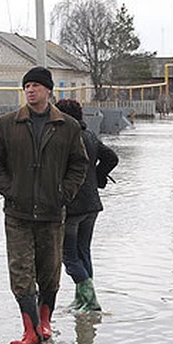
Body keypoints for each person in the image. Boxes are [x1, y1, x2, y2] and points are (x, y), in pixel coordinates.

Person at [0, 67, 89, 344]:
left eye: (36, 86)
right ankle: (29, 330)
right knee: (21, 271)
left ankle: (45, 322)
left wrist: (64, 192)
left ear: (48, 90)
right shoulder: (8, 124)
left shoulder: (67, 126)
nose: (30, 90)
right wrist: (11, 189)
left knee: (49, 270)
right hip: (18, 213)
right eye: (27, 86)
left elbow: (80, 163)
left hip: (52, 212)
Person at [55, 99, 119, 312]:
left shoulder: (66, 138)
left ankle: (90, 300)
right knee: (84, 252)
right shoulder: (90, 136)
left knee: (69, 256)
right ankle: (81, 298)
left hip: (73, 206)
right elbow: (111, 157)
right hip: (92, 205)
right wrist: (98, 178)